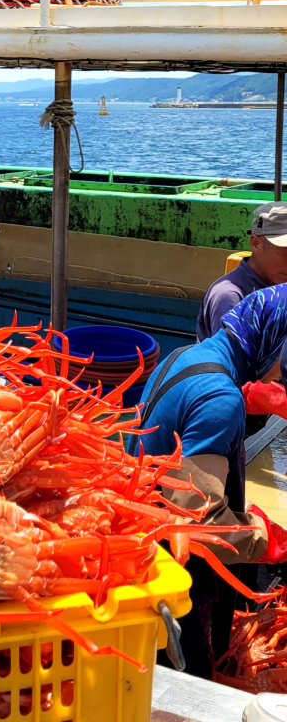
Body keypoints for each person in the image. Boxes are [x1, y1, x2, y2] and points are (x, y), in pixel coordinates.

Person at [135, 284, 287, 679]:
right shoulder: (220, 398)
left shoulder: (186, 354)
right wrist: (268, 538)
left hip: (140, 531)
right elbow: (198, 523)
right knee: (188, 683)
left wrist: (251, 400)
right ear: (273, 342)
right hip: (173, 567)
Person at [196, 202, 287, 340]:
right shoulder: (229, 297)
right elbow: (231, 359)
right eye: (286, 255)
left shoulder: (278, 283)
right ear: (256, 244)